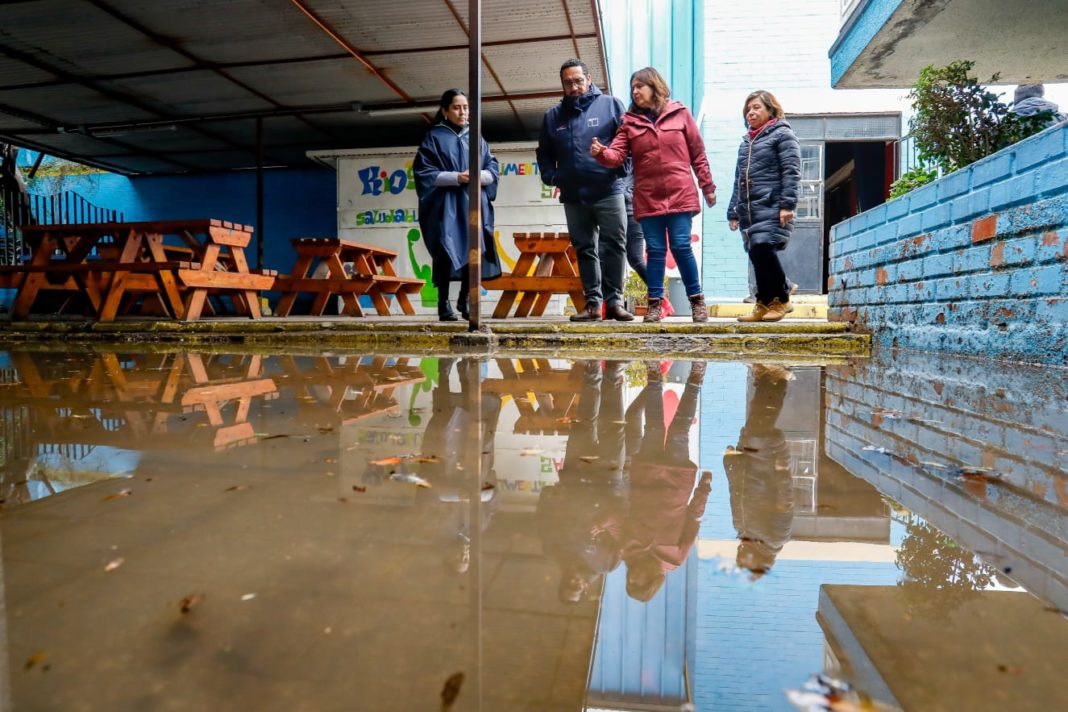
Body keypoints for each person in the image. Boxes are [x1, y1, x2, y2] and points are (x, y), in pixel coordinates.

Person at [591, 67, 715, 323]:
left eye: (640, 86)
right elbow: (616, 155)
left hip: (680, 192)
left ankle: (697, 302)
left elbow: (698, 153)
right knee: (655, 251)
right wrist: (601, 153)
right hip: (648, 197)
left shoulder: (680, 114)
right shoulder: (629, 122)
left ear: (655, 86)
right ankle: (655, 305)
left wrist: (707, 186)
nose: (635, 91)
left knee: (681, 246)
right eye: (633, 87)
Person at [537, 59, 633, 322]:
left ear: (589, 79)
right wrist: (553, 177)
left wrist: (620, 169)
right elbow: (544, 153)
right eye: (568, 82)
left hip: (609, 190)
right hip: (573, 196)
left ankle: (614, 303)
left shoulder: (611, 105)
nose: (574, 86)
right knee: (584, 248)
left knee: (614, 245)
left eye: (578, 80)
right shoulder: (553, 116)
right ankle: (592, 305)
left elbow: (627, 142)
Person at [621, 361, 710, 601]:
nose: (633, 576)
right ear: (652, 581)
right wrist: (704, 489)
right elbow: (694, 519)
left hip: (645, 475)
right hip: (676, 480)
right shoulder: (675, 559)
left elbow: (617, 516)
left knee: (653, 427)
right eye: (639, 581)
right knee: (681, 430)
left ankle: (653, 373)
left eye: (630, 580)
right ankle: (696, 376)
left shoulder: (627, 550)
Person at [413, 89, 502, 322]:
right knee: (445, 251)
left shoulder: (477, 137)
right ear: (445, 111)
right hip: (447, 204)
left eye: (465, 107)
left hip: (473, 202)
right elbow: (423, 173)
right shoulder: (434, 137)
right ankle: (443, 304)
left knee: (474, 250)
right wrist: (456, 177)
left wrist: (477, 176)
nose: (462, 112)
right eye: (456, 107)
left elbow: (492, 168)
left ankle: (465, 299)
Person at [728, 90, 801, 322]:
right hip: (749, 210)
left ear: (771, 109)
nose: (751, 112)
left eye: (757, 107)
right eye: (748, 109)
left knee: (762, 247)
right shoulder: (747, 142)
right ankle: (763, 302)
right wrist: (733, 210)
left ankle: (783, 296)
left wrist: (787, 204)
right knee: (755, 254)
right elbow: (738, 178)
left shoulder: (782, 135)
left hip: (772, 204)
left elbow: (791, 171)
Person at [724, 363, 795, 580]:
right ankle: (779, 378)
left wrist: (729, 464)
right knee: (760, 425)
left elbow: (735, 495)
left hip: (747, 463)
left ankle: (766, 377)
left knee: (754, 421)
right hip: (767, 466)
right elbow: (785, 504)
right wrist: (782, 471)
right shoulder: (775, 539)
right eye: (747, 563)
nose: (742, 558)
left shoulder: (743, 532)